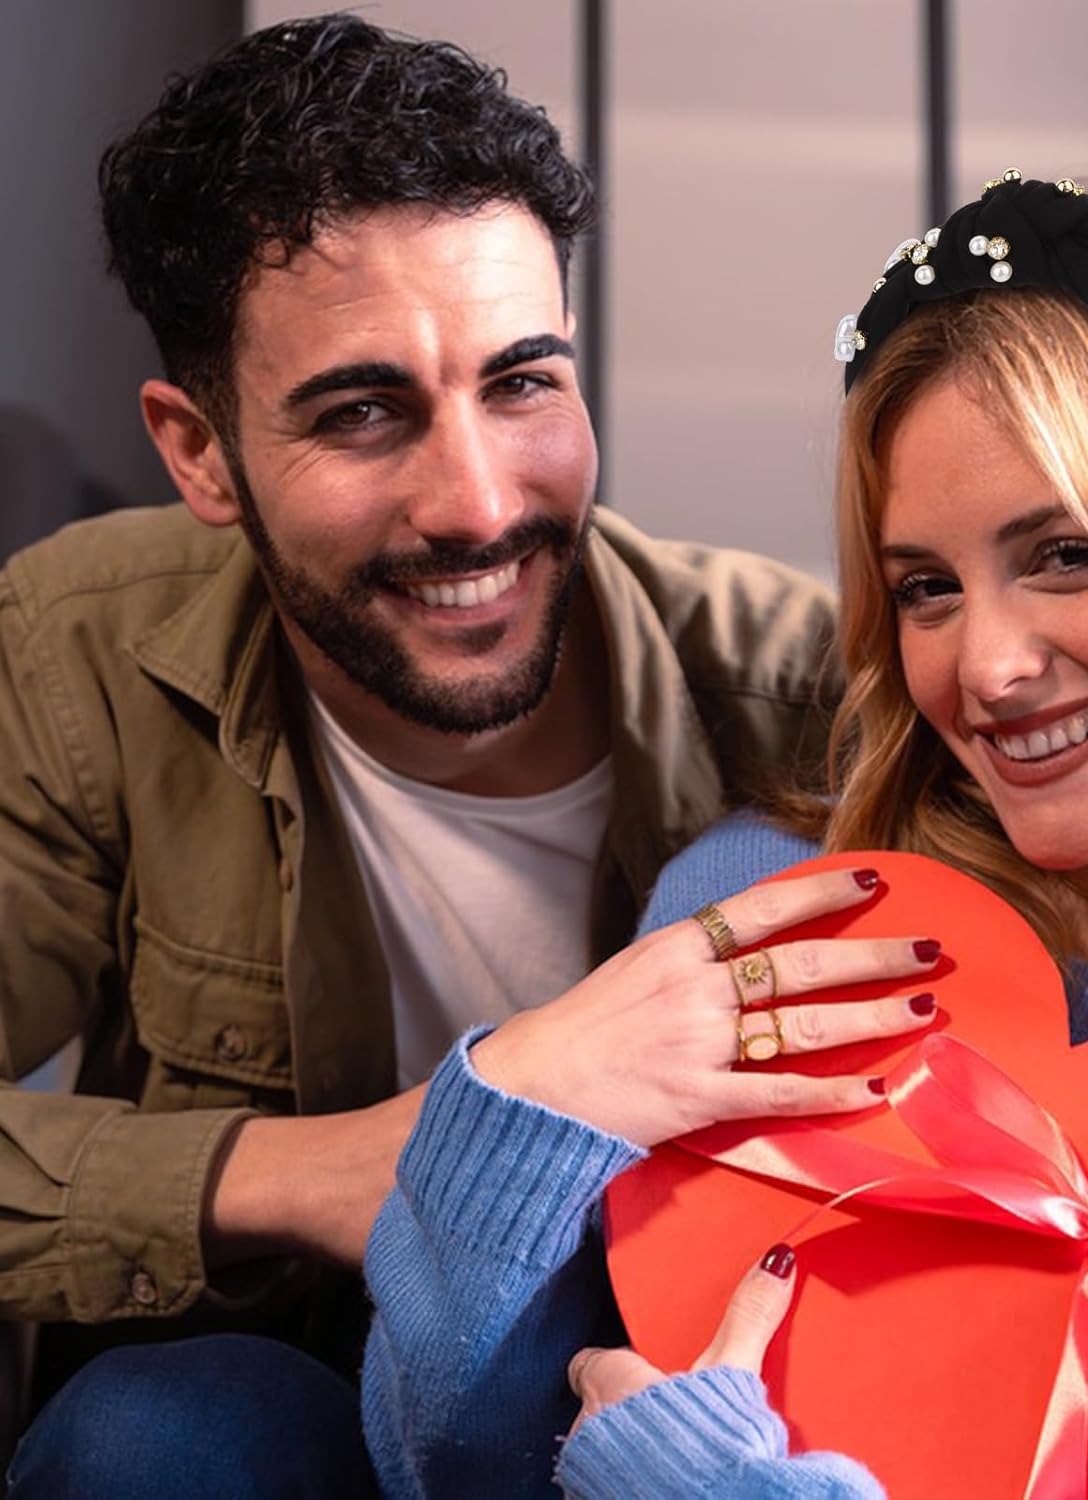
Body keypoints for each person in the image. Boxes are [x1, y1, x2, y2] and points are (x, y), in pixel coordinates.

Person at [358, 178, 1088, 1498]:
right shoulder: (776, 915)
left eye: (1066, 554)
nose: (988, 667)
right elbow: (448, 1471)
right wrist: (524, 1104)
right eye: (926, 590)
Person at [0, 15, 943, 1497]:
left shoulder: (813, 701)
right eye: (364, 413)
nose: (477, 501)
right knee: (163, 1429)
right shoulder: (80, 655)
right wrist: (342, 1168)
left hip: (650, 1415)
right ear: (198, 453)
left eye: (523, 382)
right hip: (272, 1415)